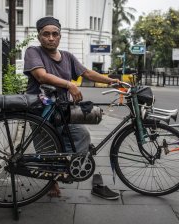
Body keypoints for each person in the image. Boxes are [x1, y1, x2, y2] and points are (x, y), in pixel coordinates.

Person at [24, 16, 120, 199]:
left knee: (81, 135)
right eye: (46, 34)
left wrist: (111, 81)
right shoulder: (33, 52)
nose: (51, 38)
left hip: (62, 110)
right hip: (39, 110)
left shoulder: (67, 57)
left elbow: (87, 73)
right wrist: (69, 85)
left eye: (55, 34)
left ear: (60, 37)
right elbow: (41, 76)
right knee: (46, 149)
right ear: (39, 36)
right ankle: (52, 182)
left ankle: (64, 170)